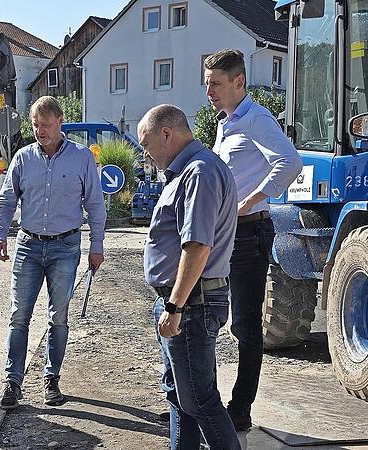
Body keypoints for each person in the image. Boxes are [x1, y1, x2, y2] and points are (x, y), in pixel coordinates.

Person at [204, 49, 303, 431]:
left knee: (245, 326)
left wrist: (250, 200)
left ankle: (239, 410)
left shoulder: (256, 118)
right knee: (206, 315)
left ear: (238, 82)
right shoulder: (225, 122)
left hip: (248, 233)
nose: (209, 90)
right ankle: (202, 404)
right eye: (207, 82)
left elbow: (289, 162)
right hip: (222, 233)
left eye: (216, 83)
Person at [0, 95, 106, 410]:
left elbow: (95, 205)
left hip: (66, 247)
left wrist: (97, 246)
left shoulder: (82, 157)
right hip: (28, 246)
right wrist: (0, 235)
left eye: (45, 124)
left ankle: (51, 379)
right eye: (35, 125)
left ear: (59, 121)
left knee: (58, 317)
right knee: (19, 316)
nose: (40, 130)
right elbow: (6, 201)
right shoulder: (22, 158)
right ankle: (12, 382)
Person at [140, 104, 240, 449]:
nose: (146, 154)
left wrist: (175, 306)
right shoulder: (189, 172)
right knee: (180, 396)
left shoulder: (199, 172)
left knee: (199, 400)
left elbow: (197, 247)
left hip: (191, 303)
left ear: (166, 133)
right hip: (183, 301)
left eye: (146, 144)